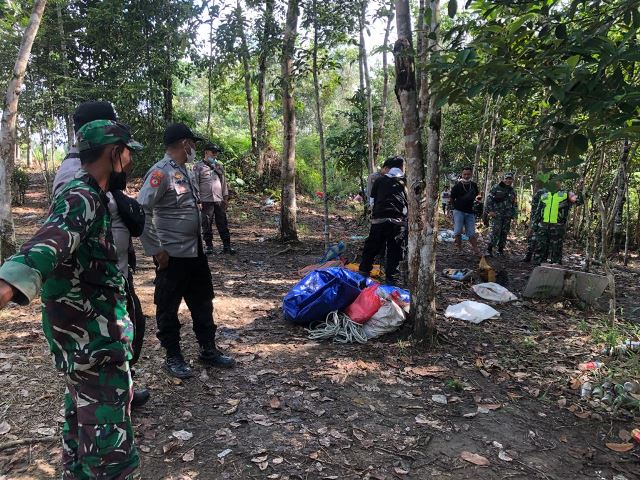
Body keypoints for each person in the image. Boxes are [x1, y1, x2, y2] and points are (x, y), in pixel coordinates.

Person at [0, 119, 143, 478]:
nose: (130, 159)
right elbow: (52, 238)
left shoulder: (87, 192)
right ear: (114, 153)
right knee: (110, 449)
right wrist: (8, 283)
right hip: (94, 340)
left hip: (81, 342)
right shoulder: (83, 197)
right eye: (127, 152)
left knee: (82, 425)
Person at [52, 101, 150, 408]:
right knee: (106, 348)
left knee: (131, 329)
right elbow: (60, 233)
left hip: (113, 272)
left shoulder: (94, 170)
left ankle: (123, 384)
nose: (128, 155)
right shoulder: (75, 177)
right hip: (92, 286)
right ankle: (111, 394)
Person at [138, 123, 235, 379]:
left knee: (203, 302)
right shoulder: (160, 173)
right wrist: (156, 249)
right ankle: (173, 357)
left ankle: (208, 350)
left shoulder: (186, 171)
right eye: (192, 143)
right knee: (168, 307)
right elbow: (142, 210)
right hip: (172, 256)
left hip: (195, 253)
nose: (195, 148)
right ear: (184, 144)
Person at [358, 156, 407, 285]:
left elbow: (372, 200)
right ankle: (391, 280)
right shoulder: (405, 182)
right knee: (395, 251)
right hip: (397, 221)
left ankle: (363, 274)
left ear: (388, 168)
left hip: (379, 219)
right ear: (402, 167)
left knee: (371, 247)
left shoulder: (379, 181)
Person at [192, 143, 236, 255]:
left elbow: (224, 183)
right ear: (206, 152)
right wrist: (198, 200)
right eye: (213, 152)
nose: (215, 155)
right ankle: (209, 246)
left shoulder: (219, 166)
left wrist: (225, 199)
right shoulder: (198, 167)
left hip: (219, 200)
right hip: (205, 201)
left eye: (216, 153)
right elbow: (195, 184)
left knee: (222, 223)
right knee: (206, 223)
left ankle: (227, 246)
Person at [532, 181, 582, 265]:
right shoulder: (544, 195)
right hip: (543, 225)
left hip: (557, 226)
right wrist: (535, 224)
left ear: (560, 183)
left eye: (557, 181)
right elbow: (538, 210)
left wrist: (581, 190)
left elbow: (578, 200)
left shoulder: (566, 193)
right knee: (540, 248)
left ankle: (555, 270)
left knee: (556, 249)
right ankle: (538, 270)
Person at [485, 172, 517, 256]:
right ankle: (489, 250)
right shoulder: (496, 187)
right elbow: (489, 199)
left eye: (510, 179)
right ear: (504, 179)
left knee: (504, 232)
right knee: (495, 232)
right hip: (497, 214)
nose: (508, 180)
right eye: (507, 178)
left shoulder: (512, 191)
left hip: (507, 216)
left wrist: (514, 217)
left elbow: (514, 204)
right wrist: (490, 211)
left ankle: (500, 250)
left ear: (512, 180)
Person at [450, 166, 480, 255]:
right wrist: (454, 208)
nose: (466, 176)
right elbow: (451, 199)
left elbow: (477, 195)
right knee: (458, 231)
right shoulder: (457, 186)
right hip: (458, 211)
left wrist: (478, 200)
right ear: (462, 174)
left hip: (470, 212)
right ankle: (460, 249)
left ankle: (476, 250)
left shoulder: (474, 185)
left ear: (471, 174)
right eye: (465, 174)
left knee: (471, 233)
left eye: (468, 174)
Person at [523, 187, 548, 262]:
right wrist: (534, 219)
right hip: (538, 219)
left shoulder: (558, 193)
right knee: (533, 237)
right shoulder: (541, 192)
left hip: (548, 220)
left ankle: (539, 258)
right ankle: (529, 255)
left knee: (543, 240)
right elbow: (534, 206)